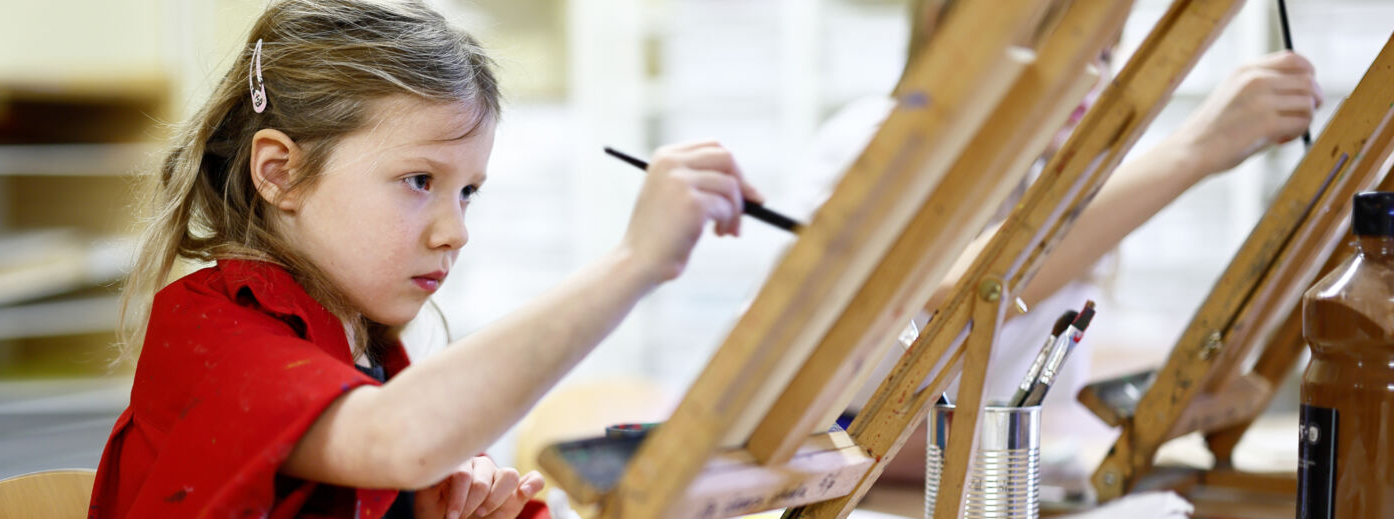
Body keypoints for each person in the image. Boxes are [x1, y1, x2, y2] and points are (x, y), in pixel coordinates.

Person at [88, 1, 762, 518]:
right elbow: (399, 438)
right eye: (419, 181)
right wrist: (636, 261)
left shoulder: (362, 346)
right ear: (280, 173)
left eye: (468, 191)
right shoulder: (210, 328)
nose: (455, 231)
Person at [800, 0, 1325, 488]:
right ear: (961, 35)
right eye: (1066, 46)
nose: (1094, 79)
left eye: (1105, 51)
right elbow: (957, 290)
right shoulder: (872, 138)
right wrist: (1194, 149)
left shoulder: (1047, 183)